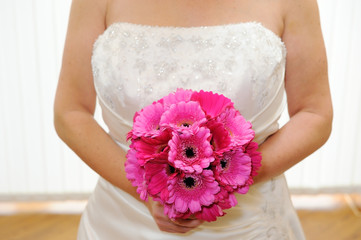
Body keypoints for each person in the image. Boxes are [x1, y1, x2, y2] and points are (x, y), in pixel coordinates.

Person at [54, 0, 333, 239]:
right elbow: (70, 112)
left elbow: (314, 113)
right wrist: (148, 190)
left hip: (248, 224)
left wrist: (226, 181)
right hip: (121, 221)